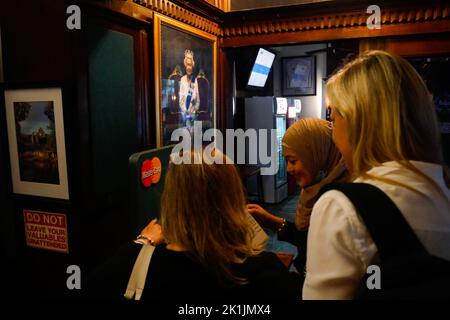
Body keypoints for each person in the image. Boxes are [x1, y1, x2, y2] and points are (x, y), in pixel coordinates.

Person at [303, 50, 450, 299]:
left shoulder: (343, 206)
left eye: (333, 116)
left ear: (357, 121)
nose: (332, 130)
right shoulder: (442, 189)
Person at [86, 149, 300, 301]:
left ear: (171, 199)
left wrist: (142, 242)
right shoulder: (263, 273)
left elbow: (90, 288)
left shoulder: (138, 262)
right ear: (233, 199)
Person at [247, 118, 349, 275]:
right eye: (287, 161)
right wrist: (272, 221)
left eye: (293, 161)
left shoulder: (336, 200)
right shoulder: (321, 186)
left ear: (314, 153)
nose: (288, 169)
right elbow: (308, 238)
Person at [179, 49, 200, 129]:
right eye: (188, 64)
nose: (189, 67)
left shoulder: (195, 80)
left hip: (193, 114)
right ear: (185, 65)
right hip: (184, 115)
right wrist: (187, 111)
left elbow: (198, 100)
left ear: (192, 66)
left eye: (190, 65)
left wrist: (194, 109)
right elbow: (181, 101)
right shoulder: (182, 79)